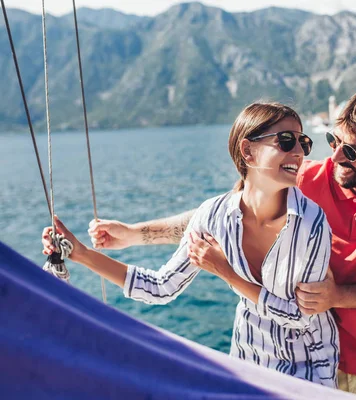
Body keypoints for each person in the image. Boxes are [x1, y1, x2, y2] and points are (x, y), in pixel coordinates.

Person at [88, 85, 356, 399]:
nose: (333, 157)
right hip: (312, 365)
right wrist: (136, 233)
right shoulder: (305, 177)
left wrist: (338, 297)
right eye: (332, 141)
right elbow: (222, 215)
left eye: (351, 151)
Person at [42, 102, 340, 388]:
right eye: (286, 140)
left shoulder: (311, 223)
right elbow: (160, 287)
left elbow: (301, 318)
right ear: (247, 151)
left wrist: (227, 273)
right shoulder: (213, 216)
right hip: (250, 361)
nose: (300, 152)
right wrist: (81, 253)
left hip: (311, 368)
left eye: (303, 142)